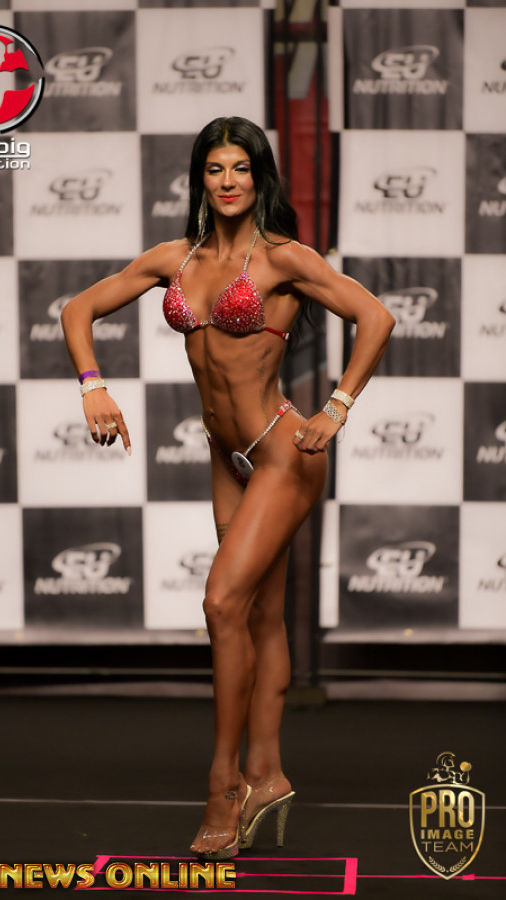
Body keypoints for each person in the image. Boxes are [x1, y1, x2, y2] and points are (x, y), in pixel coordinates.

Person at [60, 116, 395, 860]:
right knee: (259, 616)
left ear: (260, 175)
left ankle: (225, 784)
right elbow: (77, 309)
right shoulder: (175, 258)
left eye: (241, 167)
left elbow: (376, 316)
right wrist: (92, 385)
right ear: (200, 179)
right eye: (215, 169)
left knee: (220, 603)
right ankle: (268, 774)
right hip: (225, 455)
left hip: (281, 452)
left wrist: (337, 406)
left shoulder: (282, 257)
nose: (228, 181)